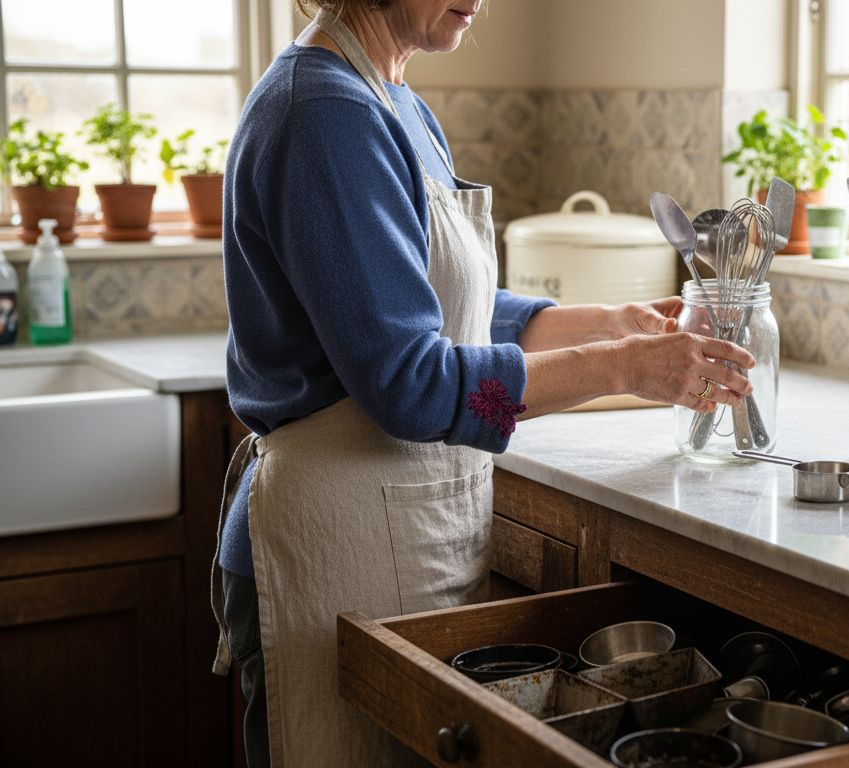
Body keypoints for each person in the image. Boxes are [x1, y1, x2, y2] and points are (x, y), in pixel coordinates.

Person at [209, 1, 755, 765]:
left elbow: (430, 304)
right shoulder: (323, 116)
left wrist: (614, 323)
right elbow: (410, 383)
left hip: (402, 535)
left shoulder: (394, 101)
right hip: (336, 551)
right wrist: (627, 367)